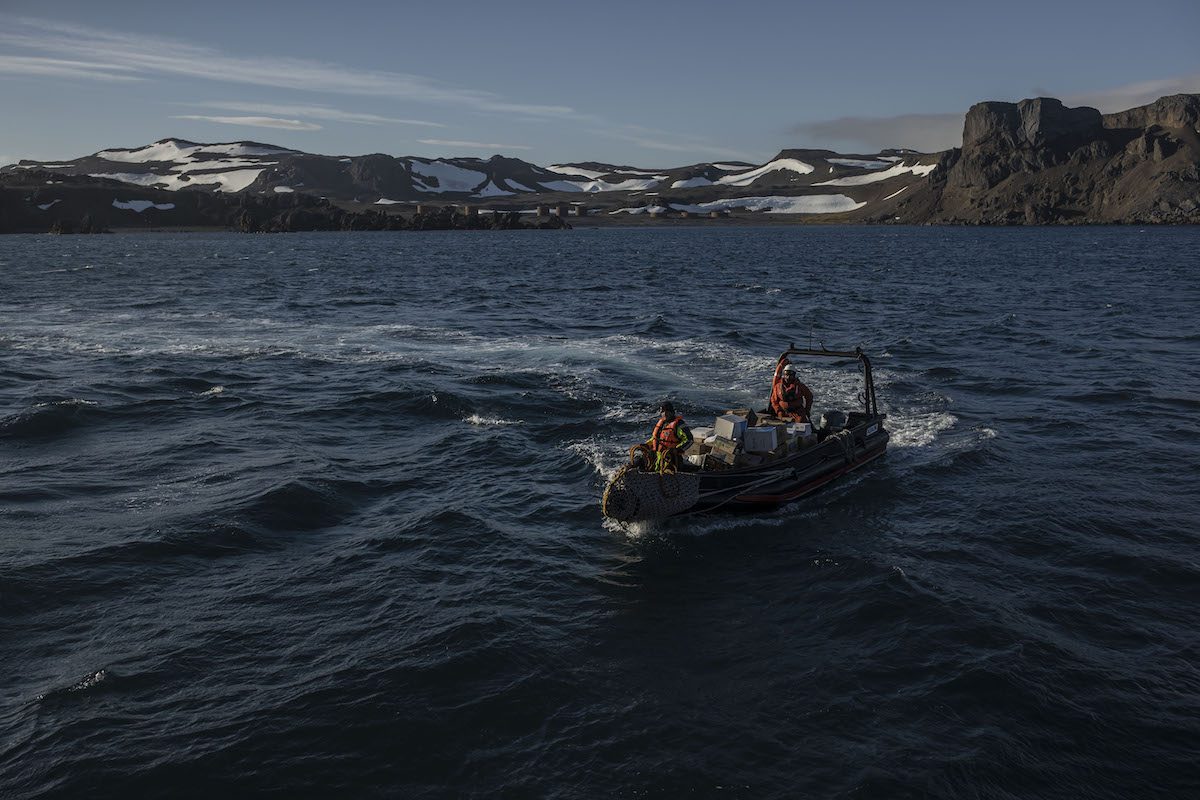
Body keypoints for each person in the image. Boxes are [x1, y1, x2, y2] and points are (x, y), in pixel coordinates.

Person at [645, 401, 694, 471]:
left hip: (672, 460)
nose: (664, 413)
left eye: (667, 411)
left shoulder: (679, 424)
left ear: (672, 412)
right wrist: (646, 445)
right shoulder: (661, 424)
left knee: (667, 473)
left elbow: (689, 440)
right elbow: (655, 438)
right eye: (662, 411)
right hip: (658, 458)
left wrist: (677, 450)